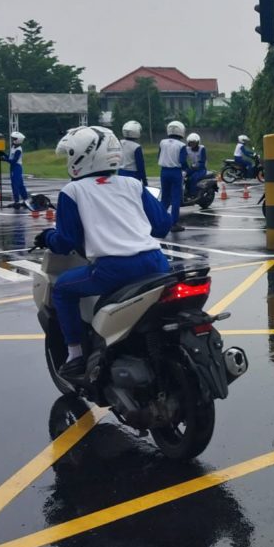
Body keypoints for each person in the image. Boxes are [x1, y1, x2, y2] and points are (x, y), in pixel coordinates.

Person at [33, 126, 172, 383]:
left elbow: (66, 242)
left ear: (80, 157)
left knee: (62, 289)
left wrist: (47, 237)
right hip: (157, 263)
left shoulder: (73, 192)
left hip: (113, 270)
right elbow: (162, 225)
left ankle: (75, 356)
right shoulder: (133, 184)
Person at [158, 120, 188, 232]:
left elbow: (159, 156)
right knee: (175, 198)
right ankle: (173, 223)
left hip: (164, 171)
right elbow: (182, 161)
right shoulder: (181, 145)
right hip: (175, 172)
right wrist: (187, 169)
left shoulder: (162, 142)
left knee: (165, 198)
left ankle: (159, 220)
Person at [0, 131, 33, 210]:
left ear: (18, 140)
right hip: (13, 167)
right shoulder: (13, 147)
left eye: (14, 139)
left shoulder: (18, 150)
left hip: (16, 167)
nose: (13, 140)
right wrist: (3, 154)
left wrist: (4, 159)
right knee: (20, 184)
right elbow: (10, 157)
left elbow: (13, 161)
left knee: (16, 185)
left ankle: (17, 201)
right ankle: (25, 199)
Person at [118, 120, 148, 187]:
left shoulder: (119, 142)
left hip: (121, 172)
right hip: (133, 174)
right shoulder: (136, 147)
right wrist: (144, 180)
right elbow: (140, 166)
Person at [184, 133, 208, 197]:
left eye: (194, 142)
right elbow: (183, 159)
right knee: (182, 176)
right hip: (192, 168)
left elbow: (203, 161)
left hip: (201, 169)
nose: (192, 144)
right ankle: (185, 191)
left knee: (193, 178)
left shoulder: (202, 149)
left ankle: (193, 194)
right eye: (190, 142)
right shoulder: (187, 149)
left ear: (197, 142)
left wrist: (197, 166)